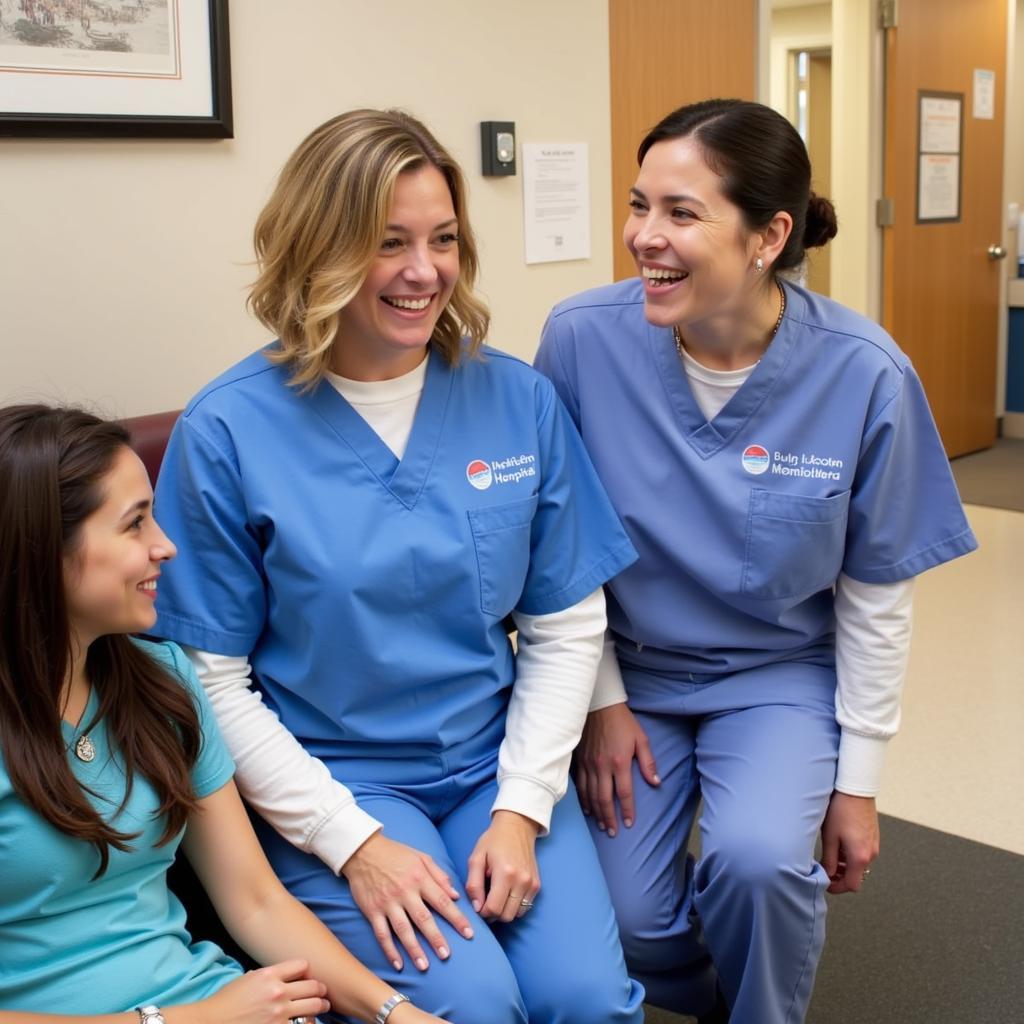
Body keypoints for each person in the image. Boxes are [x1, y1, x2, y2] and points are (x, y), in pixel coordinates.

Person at [150, 109, 645, 1024]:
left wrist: (523, 806)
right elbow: (208, 680)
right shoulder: (226, 430)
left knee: (588, 1002)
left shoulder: (516, 398)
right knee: (476, 1008)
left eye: (444, 239)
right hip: (332, 779)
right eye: (389, 243)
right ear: (321, 249)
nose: (425, 272)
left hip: (493, 764)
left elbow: (565, 621)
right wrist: (352, 842)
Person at [534, 98, 978, 1024]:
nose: (643, 237)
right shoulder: (581, 341)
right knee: (632, 921)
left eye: (681, 214)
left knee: (760, 866)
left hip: (778, 675)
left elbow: (875, 599)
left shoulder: (864, 372)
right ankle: (731, 980)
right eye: (638, 204)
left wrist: (857, 785)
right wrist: (602, 700)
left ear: (769, 235)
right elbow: (557, 551)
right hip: (630, 677)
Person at [0, 404, 448, 1024]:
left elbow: (257, 901)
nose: (166, 547)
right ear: (44, 547)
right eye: (134, 526)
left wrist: (396, 1013)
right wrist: (188, 1020)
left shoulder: (162, 680)